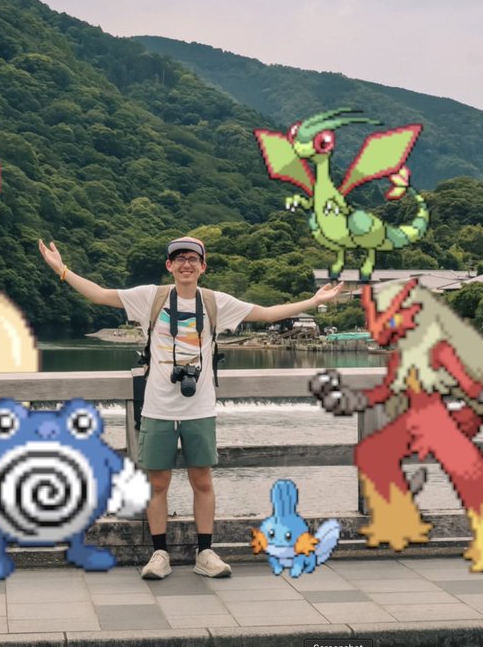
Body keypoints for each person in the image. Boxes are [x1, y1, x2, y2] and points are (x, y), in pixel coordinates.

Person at [38, 235, 344, 579]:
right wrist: (61, 270)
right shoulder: (150, 298)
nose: (186, 264)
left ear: (202, 266)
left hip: (199, 407)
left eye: (192, 259)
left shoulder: (215, 303)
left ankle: (205, 552)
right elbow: (99, 294)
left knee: (202, 480)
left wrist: (313, 300)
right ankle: (159, 554)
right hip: (156, 407)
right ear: (169, 266)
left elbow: (267, 313)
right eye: (179, 258)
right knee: (158, 483)